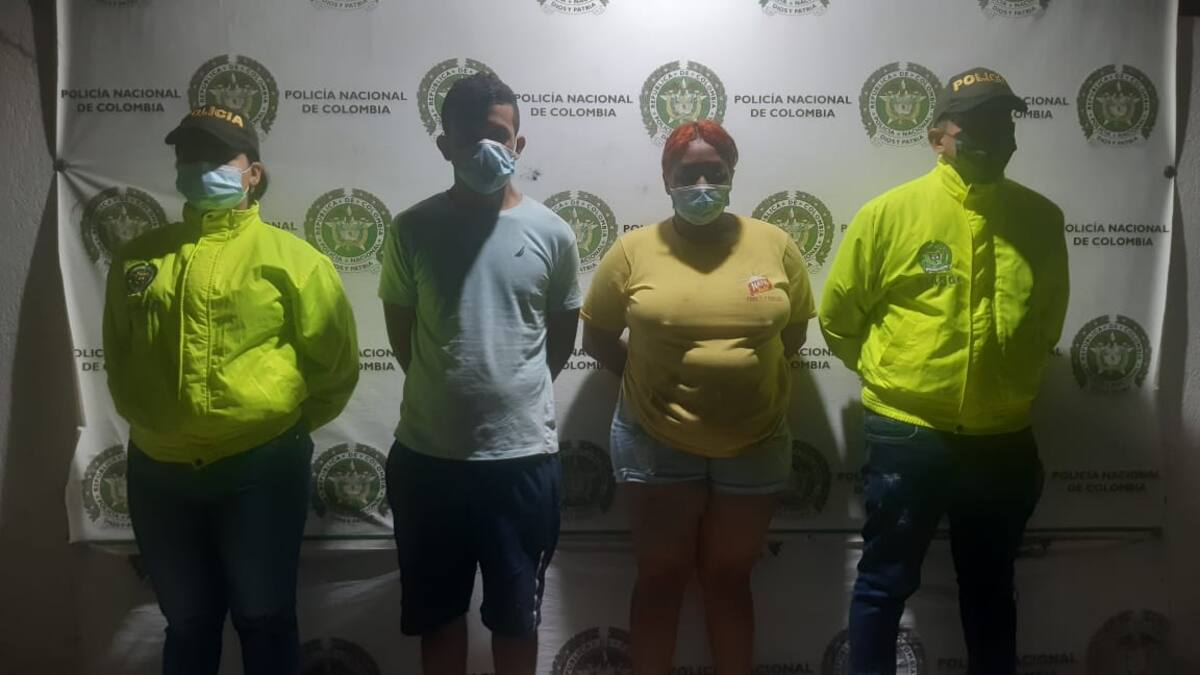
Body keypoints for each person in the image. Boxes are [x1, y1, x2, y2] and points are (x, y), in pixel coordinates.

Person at [819, 68, 1070, 675]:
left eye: (1003, 123)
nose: (994, 136)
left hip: (1002, 439)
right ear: (938, 138)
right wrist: (895, 377)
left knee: (991, 586)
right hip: (908, 434)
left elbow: (1047, 321)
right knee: (884, 582)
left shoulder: (1041, 218)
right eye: (976, 125)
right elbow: (838, 318)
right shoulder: (888, 215)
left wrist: (1006, 385)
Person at [103, 104, 360, 675]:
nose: (200, 166)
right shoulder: (139, 259)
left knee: (264, 617)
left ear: (253, 174)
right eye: (189, 155)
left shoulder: (296, 262)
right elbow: (118, 357)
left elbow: (336, 368)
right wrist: (157, 420)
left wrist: (272, 429)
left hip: (261, 471)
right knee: (186, 622)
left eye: (218, 156)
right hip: (159, 473)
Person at [581, 120, 816, 674]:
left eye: (715, 171)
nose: (703, 184)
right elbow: (596, 338)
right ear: (667, 178)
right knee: (661, 579)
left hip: (755, 438)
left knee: (730, 579)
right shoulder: (632, 250)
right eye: (689, 174)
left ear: (733, 173)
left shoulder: (775, 245)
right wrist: (655, 377)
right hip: (655, 437)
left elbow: (794, 333)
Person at [378, 73, 581, 675]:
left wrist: (508, 395)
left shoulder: (552, 232)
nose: (485, 148)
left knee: (517, 623)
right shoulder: (412, 228)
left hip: (521, 463)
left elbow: (559, 342)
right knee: (438, 620)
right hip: (428, 462)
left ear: (520, 143)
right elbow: (403, 338)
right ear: (445, 146)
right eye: (469, 138)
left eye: (499, 135)